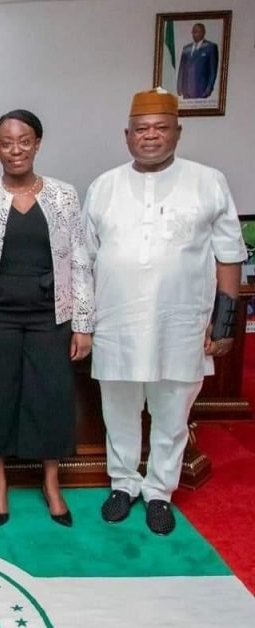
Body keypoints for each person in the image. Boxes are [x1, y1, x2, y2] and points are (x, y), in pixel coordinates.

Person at [83, 88, 246, 535]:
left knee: (172, 413)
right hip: (116, 323)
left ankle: (159, 492)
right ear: (127, 135)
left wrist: (226, 321)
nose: (150, 136)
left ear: (178, 131)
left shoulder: (208, 181)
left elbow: (229, 256)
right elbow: (85, 260)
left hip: (182, 324)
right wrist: (83, 323)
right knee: (118, 410)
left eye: (160, 128)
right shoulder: (104, 186)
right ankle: (123, 484)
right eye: (141, 129)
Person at [0, 109, 94, 528]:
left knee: (51, 396)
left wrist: (83, 322)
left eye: (24, 140)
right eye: (6, 142)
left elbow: (80, 259)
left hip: (50, 316)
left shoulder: (64, 195)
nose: (15, 149)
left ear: (37, 143)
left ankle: (50, 482)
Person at [177, 22, 219, 99]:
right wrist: (179, 86)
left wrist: (208, 90)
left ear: (204, 33)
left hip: (201, 90)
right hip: (186, 90)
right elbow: (181, 69)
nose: (196, 34)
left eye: (199, 32)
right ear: (192, 33)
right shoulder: (186, 48)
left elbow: (213, 71)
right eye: (195, 32)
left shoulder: (211, 47)